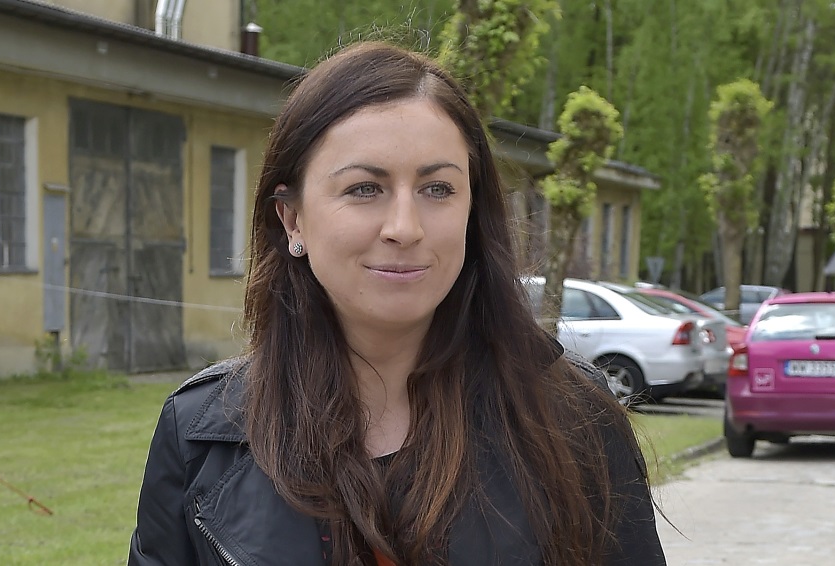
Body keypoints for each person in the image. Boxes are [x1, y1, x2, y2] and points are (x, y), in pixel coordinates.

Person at [128, 41, 666, 566]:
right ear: (292, 219)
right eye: (365, 188)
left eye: (438, 189)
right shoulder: (200, 437)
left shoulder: (572, 418)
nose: (404, 228)